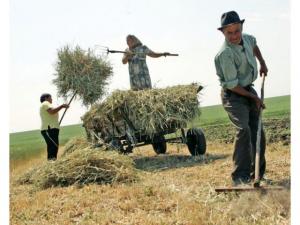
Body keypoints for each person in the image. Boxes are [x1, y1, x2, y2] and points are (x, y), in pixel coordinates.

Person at [214, 11, 268, 186]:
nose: (234, 36)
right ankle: (240, 177)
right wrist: (254, 97)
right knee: (244, 129)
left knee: (258, 131)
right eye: (229, 33)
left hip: (248, 90)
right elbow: (232, 85)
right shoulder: (225, 54)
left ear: (241, 28)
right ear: (223, 33)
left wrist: (262, 62)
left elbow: (254, 46)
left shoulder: (248, 38)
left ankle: (257, 175)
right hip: (233, 95)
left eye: (237, 31)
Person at [39, 93, 69, 160]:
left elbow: (51, 115)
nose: (51, 99)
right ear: (46, 98)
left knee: (53, 146)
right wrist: (62, 106)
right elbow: (51, 112)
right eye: (50, 97)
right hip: (49, 129)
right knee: (53, 146)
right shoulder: (45, 103)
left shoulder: (45, 105)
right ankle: (51, 162)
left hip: (51, 128)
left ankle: (52, 163)